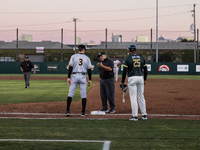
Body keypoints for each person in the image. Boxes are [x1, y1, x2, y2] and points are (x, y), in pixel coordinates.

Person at [121, 44, 148, 121]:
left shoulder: (128, 58)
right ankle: (144, 115)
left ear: (129, 51)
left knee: (133, 97)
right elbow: (145, 70)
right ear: (135, 50)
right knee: (141, 96)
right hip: (140, 77)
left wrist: (122, 81)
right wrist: (145, 79)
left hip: (132, 78)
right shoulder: (142, 58)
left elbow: (124, 71)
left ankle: (135, 116)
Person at [66, 45, 92, 117]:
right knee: (83, 95)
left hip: (74, 76)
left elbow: (70, 67)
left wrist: (68, 77)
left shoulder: (73, 56)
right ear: (84, 50)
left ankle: (67, 111)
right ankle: (83, 112)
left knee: (70, 93)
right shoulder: (87, 58)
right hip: (83, 76)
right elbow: (89, 69)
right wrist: (89, 79)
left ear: (78, 50)